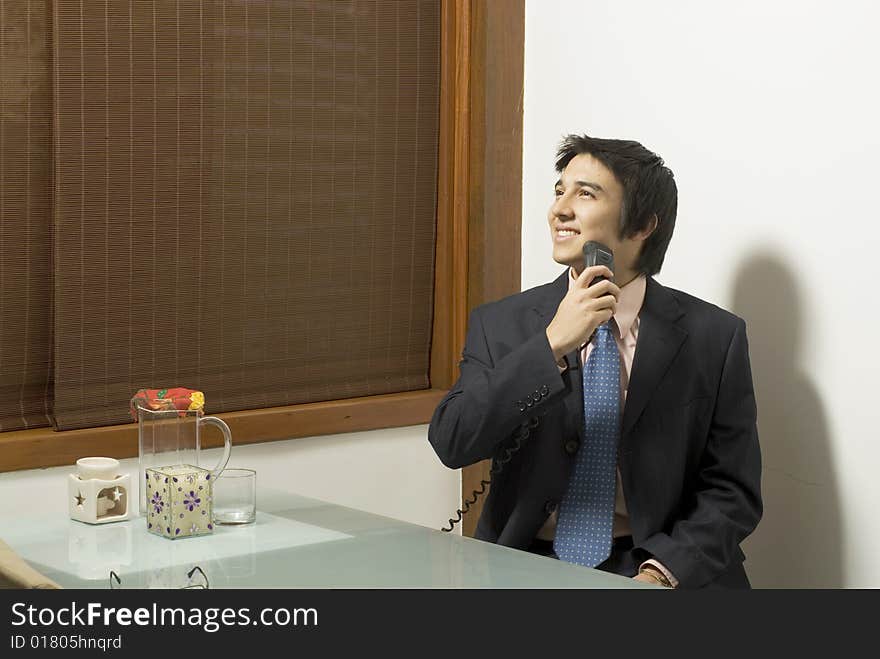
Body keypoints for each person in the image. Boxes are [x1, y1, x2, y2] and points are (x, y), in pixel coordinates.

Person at [428, 134, 762, 589]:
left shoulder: (714, 337)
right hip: (528, 566)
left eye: (585, 194)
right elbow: (453, 441)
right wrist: (549, 345)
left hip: (657, 564)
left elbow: (732, 490)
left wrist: (660, 575)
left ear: (643, 223)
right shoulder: (500, 324)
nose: (560, 209)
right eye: (559, 191)